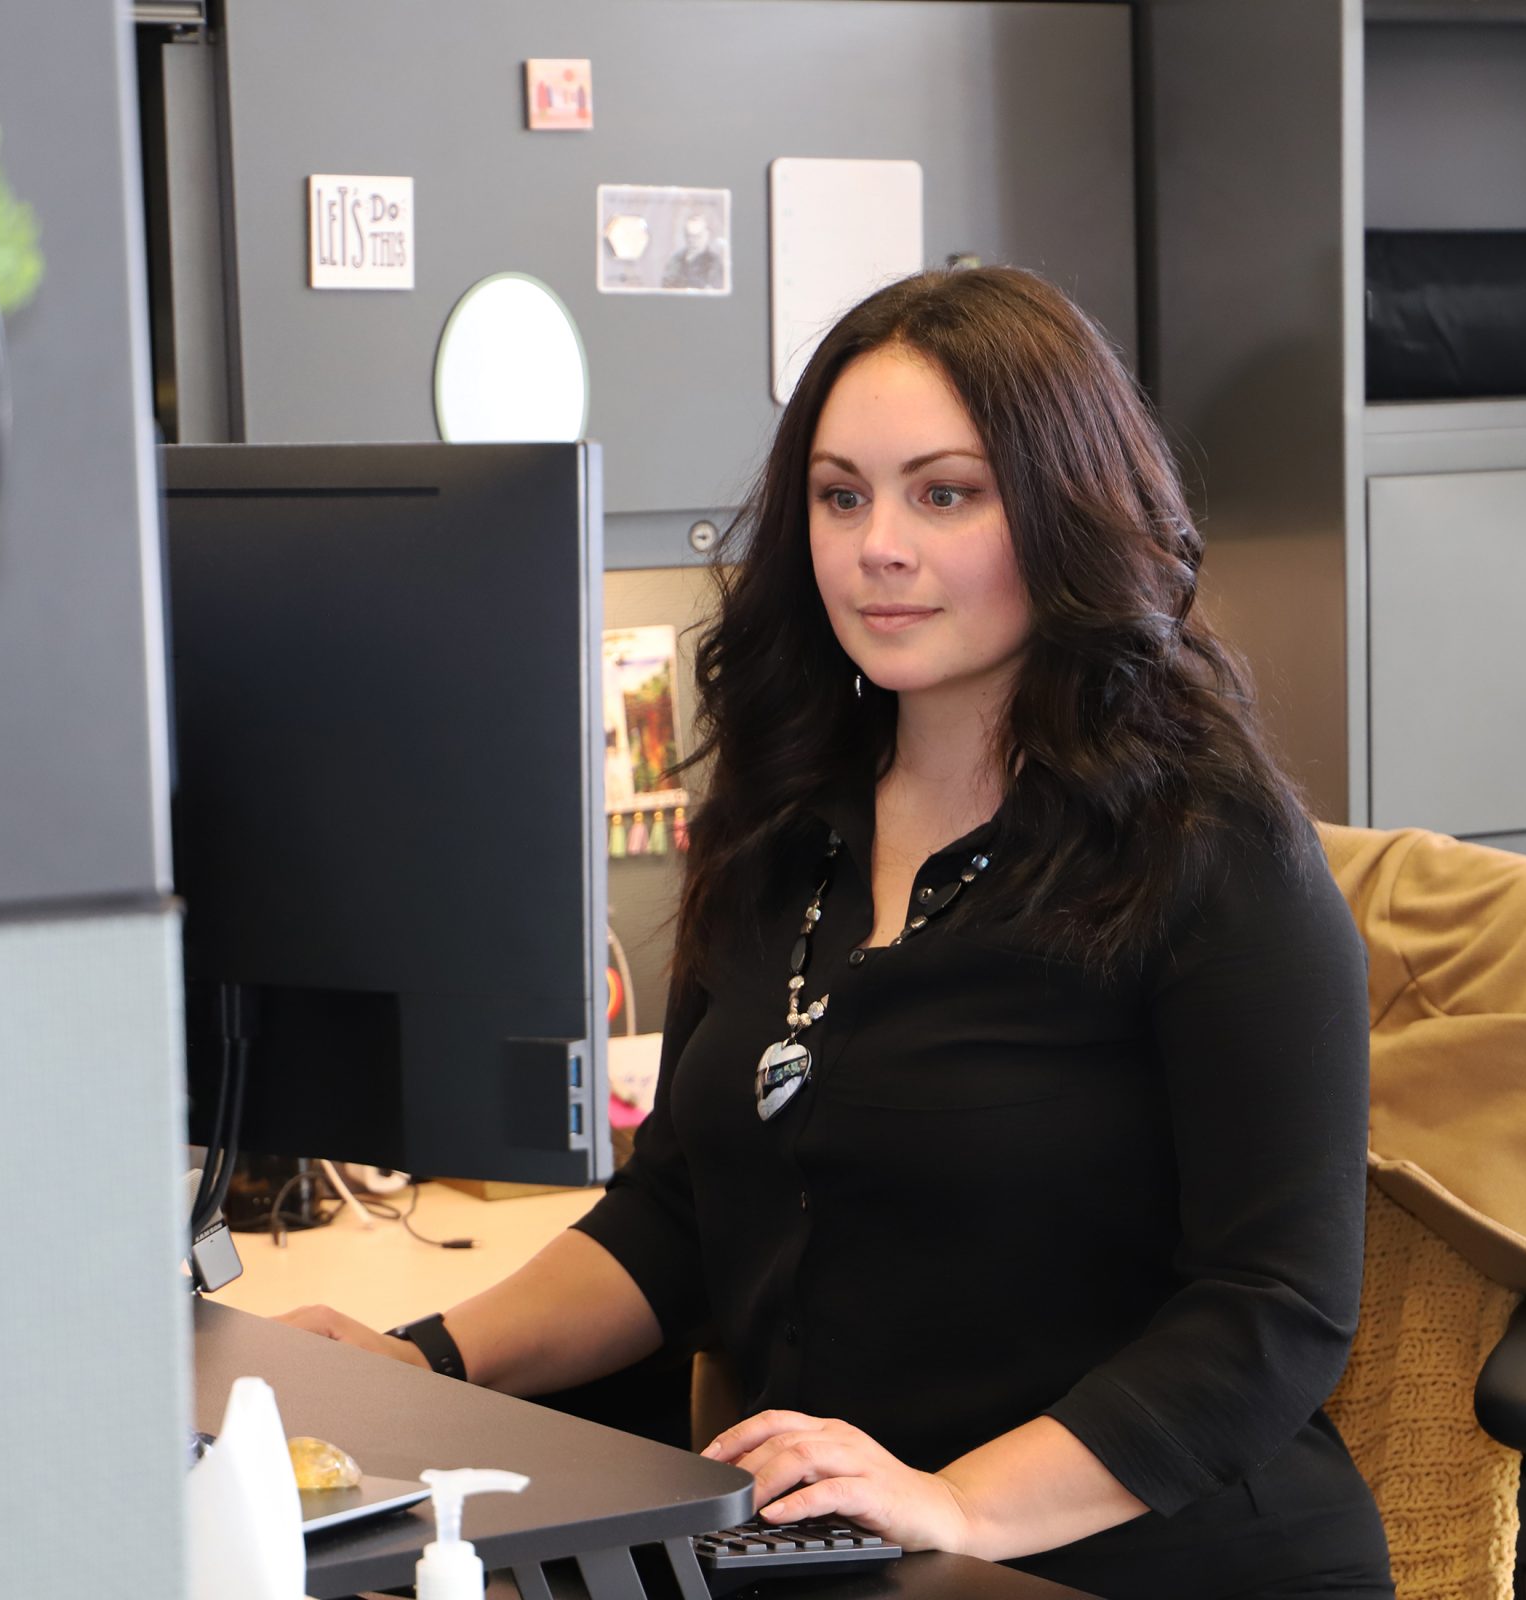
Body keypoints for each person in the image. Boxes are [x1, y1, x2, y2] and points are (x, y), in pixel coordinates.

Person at [279, 266, 1388, 1600]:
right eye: (840, 495)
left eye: (946, 493)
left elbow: (1276, 1311)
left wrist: (958, 1503)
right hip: (847, 1539)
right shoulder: (783, 825)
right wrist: (425, 1362)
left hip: (1146, 1553)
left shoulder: (1209, 853)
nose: (881, 547)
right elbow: (681, 1212)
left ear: (1064, 508)